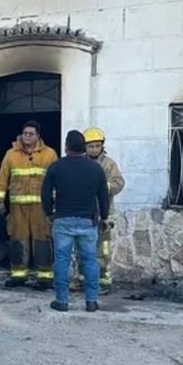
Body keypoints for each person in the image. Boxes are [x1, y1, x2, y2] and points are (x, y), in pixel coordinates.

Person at [41, 130, 109, 313]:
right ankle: (92, 301)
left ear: (66, 147)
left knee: (62, 260)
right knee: (90, 261)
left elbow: (45, 193)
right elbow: (103, 196)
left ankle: (62, 301)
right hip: (88, 222)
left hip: (63, 221)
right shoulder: (96, 169)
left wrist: (48, 212)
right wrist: (104, 217)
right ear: (84, 147)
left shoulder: (56, 167)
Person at [0, 120, 58, 289]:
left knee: (42, 240)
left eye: (31, 134)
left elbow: (55, 180)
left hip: (41, 208)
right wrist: (0, 200)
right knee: (17, 240)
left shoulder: (49, 154)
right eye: (25, 133)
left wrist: (54, 203)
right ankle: (18, 275)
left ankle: (45, 277)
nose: (27, 136)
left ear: (38, 136)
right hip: (18, 208)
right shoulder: (11, 154)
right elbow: (2, 178)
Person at [70, 126, 125, 295]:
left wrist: (102, 187)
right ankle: (81, 279)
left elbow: (119, 183)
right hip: (84, 212)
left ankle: (102, 282)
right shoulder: (79, 162)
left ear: (102, 146)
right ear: (84, 147)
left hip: (103, 214)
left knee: (102, 250)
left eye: (97, 146)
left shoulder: (109, 164)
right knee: (82, 248)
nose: (94, 149)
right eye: (90, 146)